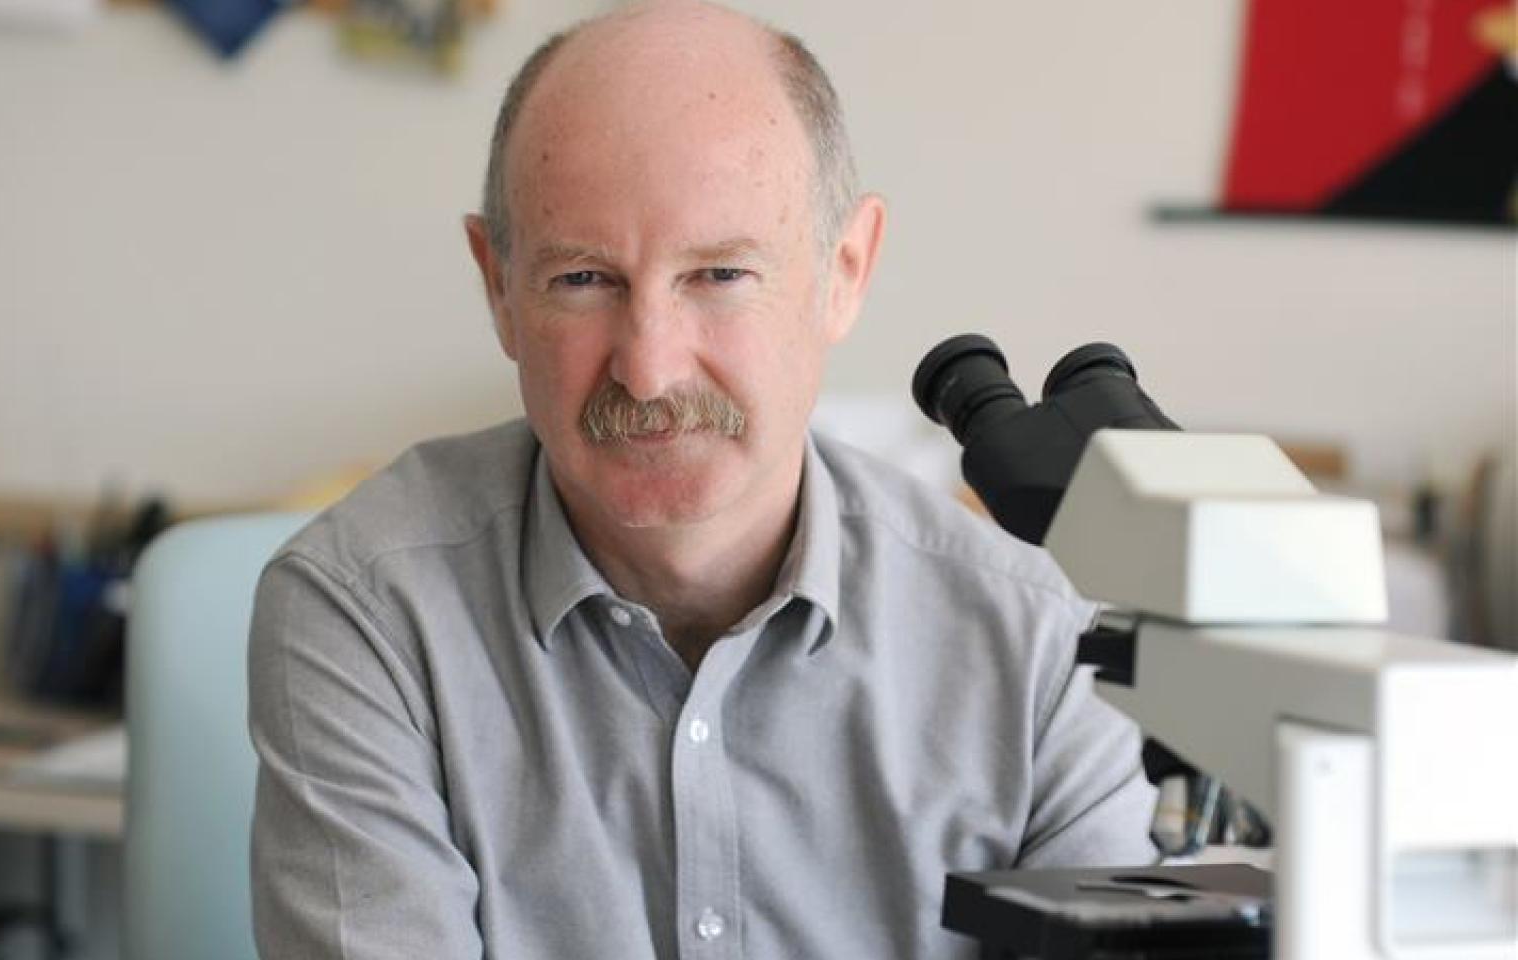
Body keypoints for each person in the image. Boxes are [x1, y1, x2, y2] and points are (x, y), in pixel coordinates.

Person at [248, 2, 1156, 957]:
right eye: (583, 280)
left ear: (843, 271)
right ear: (498, 288)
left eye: (719, 275)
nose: (649, 370)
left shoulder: (1039, 642)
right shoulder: (367, 614)